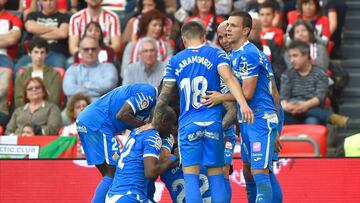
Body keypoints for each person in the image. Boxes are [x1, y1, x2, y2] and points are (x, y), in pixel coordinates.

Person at [142, 21, 253, 203]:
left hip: (189, 125)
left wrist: (154, 123)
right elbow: (229, 78)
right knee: (217, 176)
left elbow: (164, 96)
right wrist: (244, 103)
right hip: (213, 123)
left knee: (191, 178)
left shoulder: (175, 60)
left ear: (184, 40)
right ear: (204, 37)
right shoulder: (217, 53)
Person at [226, 11, 281, 202]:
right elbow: (272, 90)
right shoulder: (235, 54)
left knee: (259, 171)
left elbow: (247, 93)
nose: (228, 28)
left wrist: (219, 98)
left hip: (260, 118)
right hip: (248, 119)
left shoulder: (249, 53)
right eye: (228, 24)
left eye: (233, 25)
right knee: (250, 171)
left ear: (246, 30)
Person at [76, 83, 158, 203]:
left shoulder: (148, 97)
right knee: (114, 174)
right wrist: (145, 126)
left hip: (91, 120)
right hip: (98, 122)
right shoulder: (149, 94)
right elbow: (122, 115)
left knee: (111, 176)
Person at [105, 106, 177, 203]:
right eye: (172, 123)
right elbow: (150, 172)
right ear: (163, 121)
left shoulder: (137, 131)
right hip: (130, 196)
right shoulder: (153, 135)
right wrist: (176, 157)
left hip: (116, 194)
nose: (173, 128)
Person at [280, 40, 349, 127]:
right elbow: (283, 98)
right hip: (291, 110)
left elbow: (320, 97)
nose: (292, 60)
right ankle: (330, 117)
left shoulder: (320, 74)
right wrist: (287, 107)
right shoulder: (287, 74)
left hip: (313, 107)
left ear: (306, 55)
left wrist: (304, 106)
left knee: (312, 121)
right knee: (280, 116)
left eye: (295, 56)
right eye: (290, 56)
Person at [15, 0, 70, 72]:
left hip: (55, 54)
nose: (49, 3)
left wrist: (38, 34)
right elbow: (30, 28)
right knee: (18, 69)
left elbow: (63, 33)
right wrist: (55, 30)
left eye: (51, 0)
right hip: (33, 54)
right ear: (40, 1)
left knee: (59, 70)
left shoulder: (65, 17)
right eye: (45, 0)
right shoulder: (32, 15)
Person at [63, 36, 118, 101]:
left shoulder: (109, 67)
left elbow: (109, 85)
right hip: (76, 109)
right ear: (80, 51)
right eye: (86, 49)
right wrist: (98, 93)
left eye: (93, 49)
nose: (90, 52)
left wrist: (86, 85)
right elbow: (68, 90)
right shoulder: (72, 70)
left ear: (99, 50)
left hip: (101, 108)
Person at [14, 36, 62, 108]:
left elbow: (54, 100)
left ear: (46, 54)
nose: (39, 56)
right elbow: (18, 102)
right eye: (36, 52)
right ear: (29, 53)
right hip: (26, 114)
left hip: (48, 113)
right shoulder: (21, 77)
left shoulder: (55, 75)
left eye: (42, 52)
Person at [0, 0, 23, 69]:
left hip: (4, 56)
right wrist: (5, 37)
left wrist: (9, 37)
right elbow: (9, 38)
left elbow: (12, 39)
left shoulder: (14, 18)